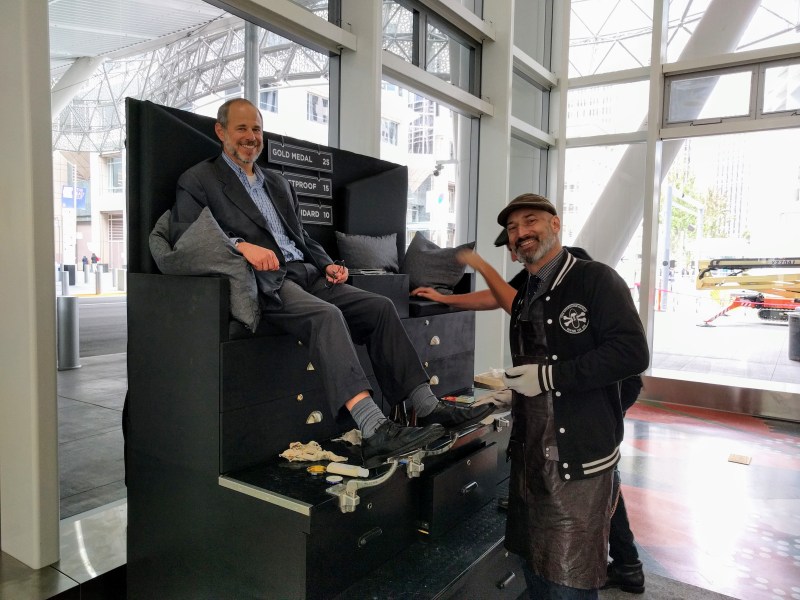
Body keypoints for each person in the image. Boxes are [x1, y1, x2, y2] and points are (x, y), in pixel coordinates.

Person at [169, 98, 494, 469]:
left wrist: (329, 265)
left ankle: (426, 406)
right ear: (221, 131)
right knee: (326, 316)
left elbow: (301, 237)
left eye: (256, 129)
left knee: (380, 308)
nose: (251, 137)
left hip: (307, 273)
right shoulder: (199, 180)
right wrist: (243, 247)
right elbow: (188, 237)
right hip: (264, 281)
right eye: (242, 128)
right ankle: (375, 430)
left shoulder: (277, 182)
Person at [414, 232, 647, 594]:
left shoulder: (574, 270)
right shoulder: (535, 275)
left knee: (596, 470)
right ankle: (627, 563)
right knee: (597, 473)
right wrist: (447, 299)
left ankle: (622, 560)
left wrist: (478, 265)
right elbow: (498, 296)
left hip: (606, 385)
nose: (519, 244)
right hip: (579, 382)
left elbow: (510, 301)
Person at [495, 193, 649, 599]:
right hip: (530, 455)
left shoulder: (597, 279)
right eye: (512, 228)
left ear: (556, 224)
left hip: (578, 459)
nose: (521, 232)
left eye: (531, 221)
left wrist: (549, 376)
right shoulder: (526, 290)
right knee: (534, 563)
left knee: (570, 578)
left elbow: (632, 353)